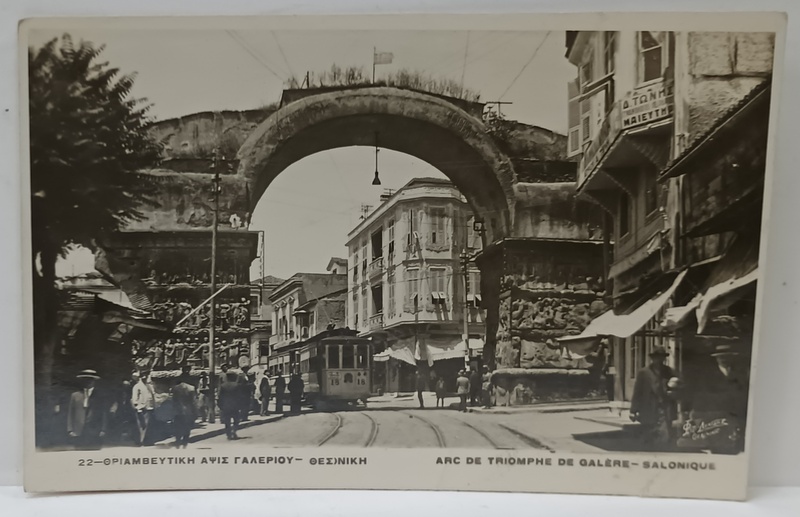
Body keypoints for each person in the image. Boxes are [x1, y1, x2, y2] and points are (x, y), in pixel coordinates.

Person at [630, 346, 678, 451]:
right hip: (648, 408)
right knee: (648, 435)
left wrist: (673, 393)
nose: (659, 360)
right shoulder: (644, 372)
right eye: (657, 357)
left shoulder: (670, 372)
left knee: (665, 436)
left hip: (664, 409)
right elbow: (637, 392)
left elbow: (677, 389)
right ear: (652, 358)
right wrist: (633, 410)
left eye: (661, 357)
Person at [66, 370, 108, 449]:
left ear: (94, 381)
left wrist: (103, 429)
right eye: (85, 379)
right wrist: (70, 430)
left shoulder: (100, 396)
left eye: (90, 379)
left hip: (95, 430)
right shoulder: (75, 395)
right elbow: (70, 413)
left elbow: (104, 413)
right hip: (78, 431)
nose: (88, 381)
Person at [171, 366, 197, 448]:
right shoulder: (191, 387)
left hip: (178, 408)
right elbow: (193, 400)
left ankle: (178, 440)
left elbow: (173, 399)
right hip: (187, 408)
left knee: (178, 425)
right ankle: (185, 442)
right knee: (187, 425)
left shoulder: (175, 387)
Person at [131, 369, 156, 446]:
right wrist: (137, 407)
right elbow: (134, 398)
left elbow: (152, 395)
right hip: (141, 408)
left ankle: (146, 441)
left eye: (146, 375)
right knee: (141, 425)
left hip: (149, 407)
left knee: (148, 425)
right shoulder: (137, 386)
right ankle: (140, 441)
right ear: (140, 377)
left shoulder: (149, 386)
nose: (145, 377)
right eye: (143, 376)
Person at [218, 371, 242, 440]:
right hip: (235, 406)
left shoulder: (223, 385)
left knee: (227, 421)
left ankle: (228, 434)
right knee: (236, 420)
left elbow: (220, 396)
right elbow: (239, 396)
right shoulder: (236, 385)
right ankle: (234, 431)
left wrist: (220, 405)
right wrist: (240, 405)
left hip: (226, 406)